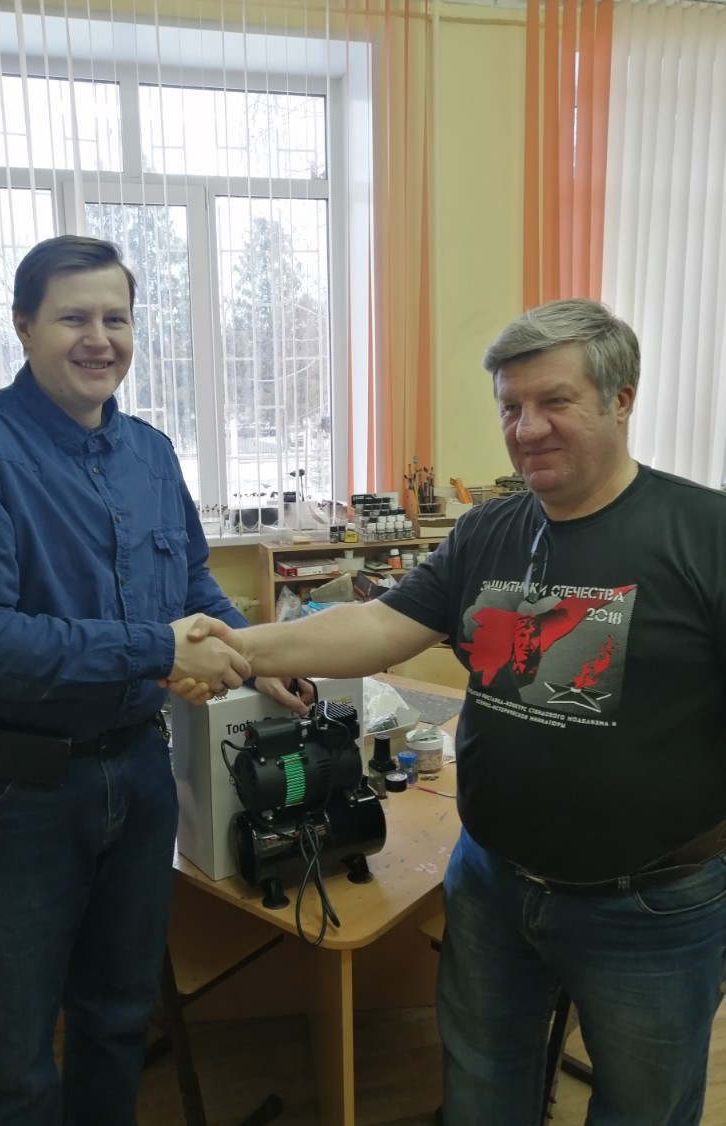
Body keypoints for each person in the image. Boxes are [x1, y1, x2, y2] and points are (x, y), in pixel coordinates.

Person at [178, 298, 726, 1125]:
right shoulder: (488, 530)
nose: (527, 428)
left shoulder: (704, 534)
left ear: (621, 399)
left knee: (644, 1109)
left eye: (554, 401)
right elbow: (378, 627)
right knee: (479, 1090)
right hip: (492, 881)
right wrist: (238, 646)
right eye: (511, 406)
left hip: (649, 905)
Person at [0, 234, 302, 1126]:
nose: (98, 339)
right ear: (23, 326)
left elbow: (191, 586)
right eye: (72, 318)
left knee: (118, 1018)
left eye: (116, 318)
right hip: (8, 792)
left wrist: (259, 659)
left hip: (138, 774)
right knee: (11, 1057)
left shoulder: (150, 453)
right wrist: (157, 651)